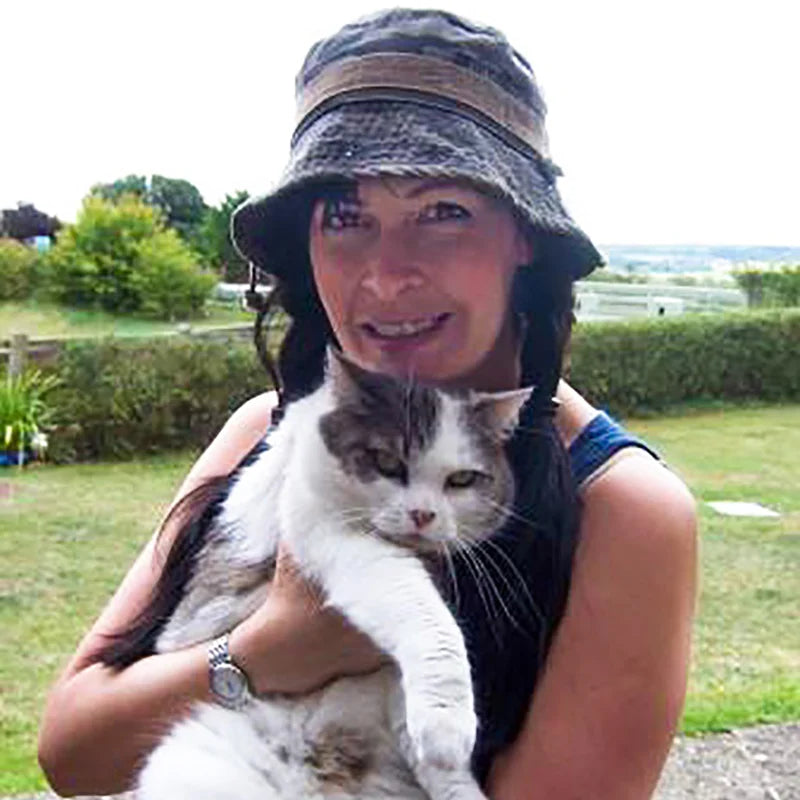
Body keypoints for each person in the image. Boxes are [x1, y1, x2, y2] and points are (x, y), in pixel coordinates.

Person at [38, 9, 697, 799]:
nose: (386, 275)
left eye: (443, 212)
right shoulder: (262, 430)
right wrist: (268, 651)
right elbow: (73, 751)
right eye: (346, 218)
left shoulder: (621, 507)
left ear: (525, 235)